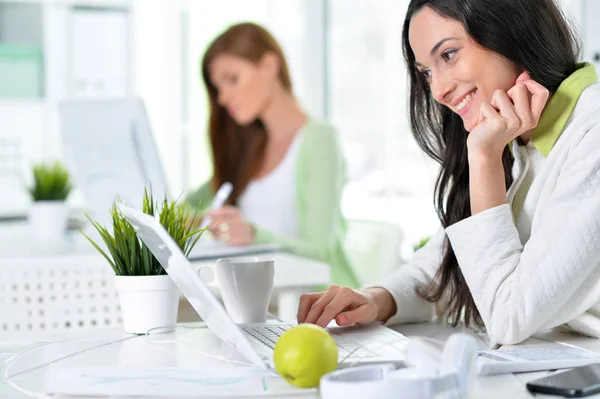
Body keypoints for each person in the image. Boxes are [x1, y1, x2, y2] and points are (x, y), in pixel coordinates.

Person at [297, 0, 600, 346]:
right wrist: (377, 299)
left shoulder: (591, 137)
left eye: (449, 55)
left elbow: (507, 317)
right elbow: (453, 263)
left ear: (511, 28)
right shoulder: (517, 136)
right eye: (426, 72)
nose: (438, 90)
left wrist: (484, 159)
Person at [186, 22, 360, 288]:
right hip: (260, 303)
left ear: (269, 66)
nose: (222, 98)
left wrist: (253, 235)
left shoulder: (318, 140)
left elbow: (321, 251)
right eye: (218, 88)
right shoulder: (248, 149)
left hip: (317, 305)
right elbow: (187, 206)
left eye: (232, 79)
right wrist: (191, 222)